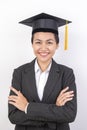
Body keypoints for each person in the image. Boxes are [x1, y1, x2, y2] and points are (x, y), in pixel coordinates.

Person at [8, 13, 77, 130]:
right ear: (32, 44)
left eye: (49, 42)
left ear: (57, 45)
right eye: (38, 42)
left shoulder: (67, 73)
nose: (43, 48)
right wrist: (55, 108)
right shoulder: (19, 73)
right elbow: (13, 116)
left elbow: (69, 114)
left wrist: (27, 107)